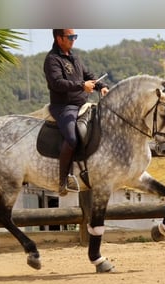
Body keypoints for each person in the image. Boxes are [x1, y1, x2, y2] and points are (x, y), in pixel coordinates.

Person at [43, 29, 109, 196]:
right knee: (72, 138)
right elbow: (57, 83)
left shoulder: (74, 56)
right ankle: (63, 180)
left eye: (75, 36)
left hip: (83, 104)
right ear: (59, 38)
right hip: (64, 107)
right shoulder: (52, 60)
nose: (73, 40)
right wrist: (81, 86)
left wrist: (102, 86)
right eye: (70, 37)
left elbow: (88, 75)